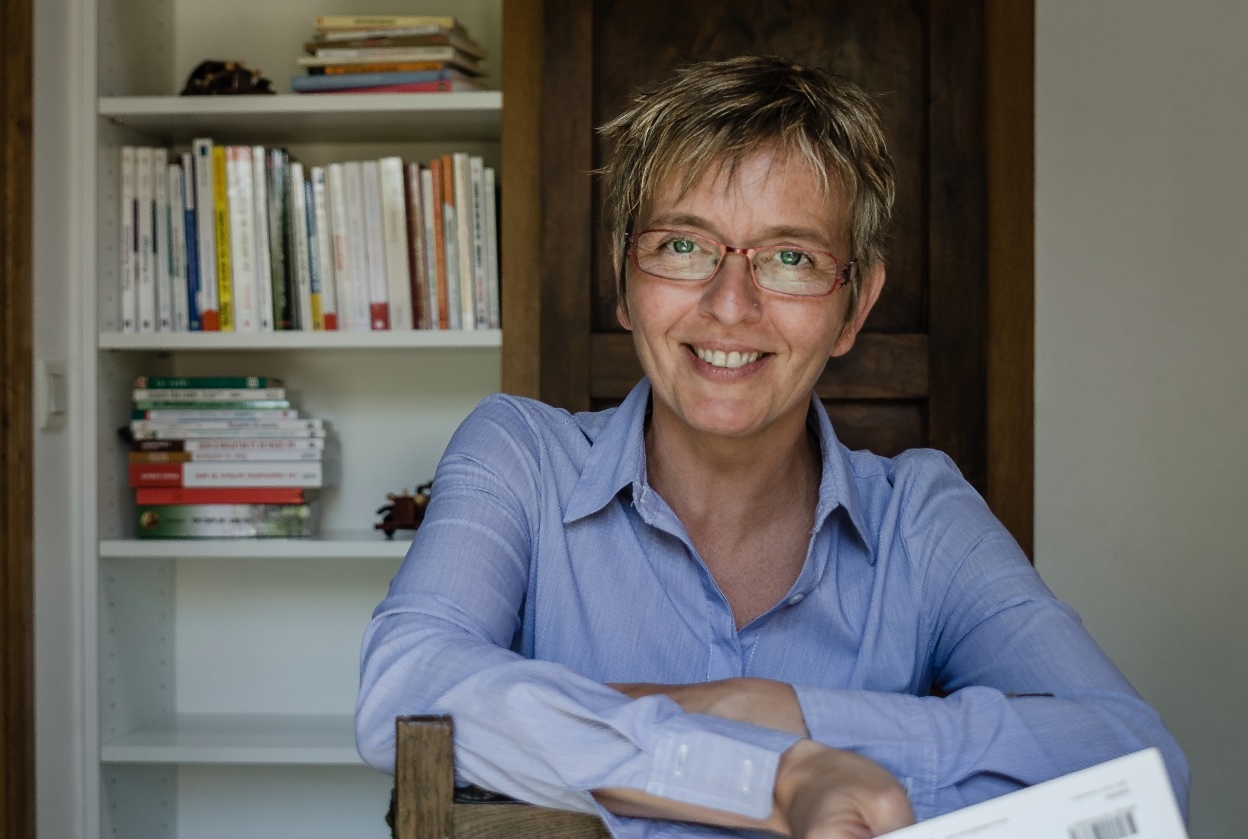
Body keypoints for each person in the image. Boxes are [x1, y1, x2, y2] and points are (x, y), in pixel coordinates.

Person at [357, 55, 1189, 838]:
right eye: (683, 246)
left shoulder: (921, 517)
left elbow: (1140, 761)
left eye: (791, 257)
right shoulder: (520, 458)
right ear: (624, 278)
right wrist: (780, 772)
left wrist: (774, 707)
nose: (731, 304)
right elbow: (408, 685)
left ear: (855, 307)